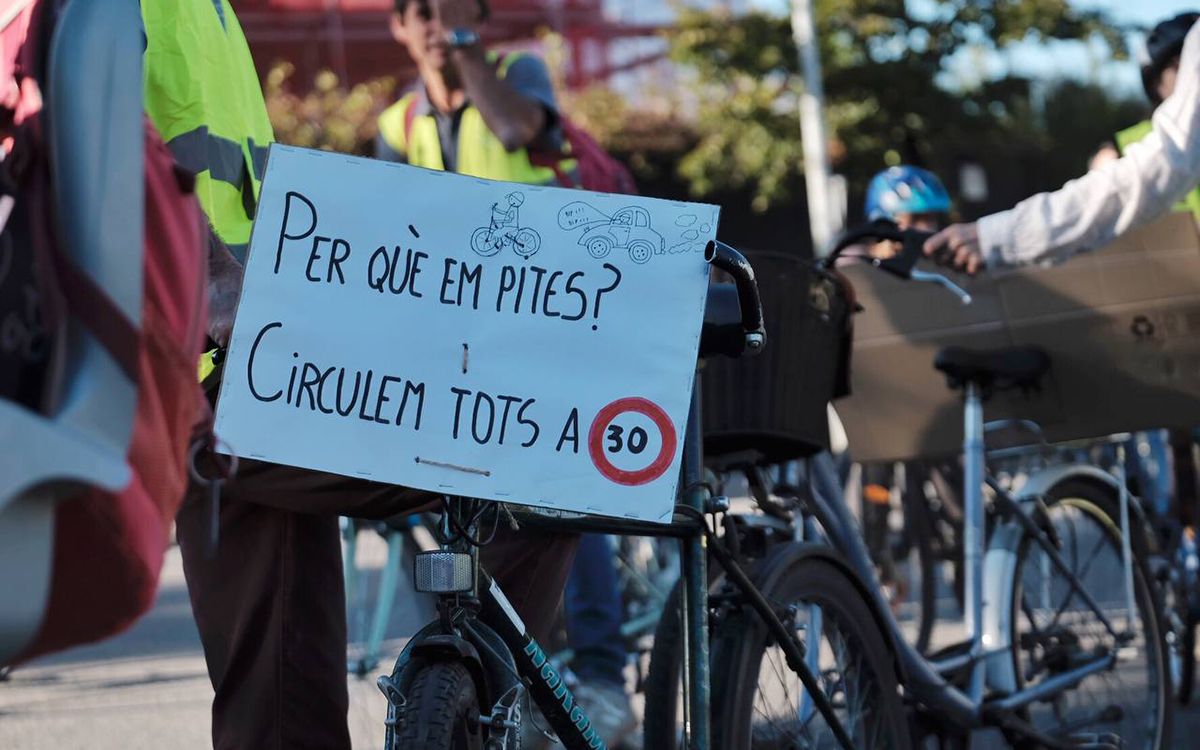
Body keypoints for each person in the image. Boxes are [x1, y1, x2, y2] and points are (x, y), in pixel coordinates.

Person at [142, 2, 578, 749]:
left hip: (241, 359)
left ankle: (466, 709)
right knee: (543, 454)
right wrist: (210, 268)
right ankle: (477, 716)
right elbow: (78, 114)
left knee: (281, 695)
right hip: (206, 366)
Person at [374, 1, 634, 746]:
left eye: (448, 8)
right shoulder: (399, 124)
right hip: (466, 346)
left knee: (570, 506)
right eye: (415, 11)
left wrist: (462, 52)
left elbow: (521, 130)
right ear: (395, 26)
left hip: (559, 323)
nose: (430, 21)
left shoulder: (513, 74)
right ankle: (492, 676)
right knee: (460, 509)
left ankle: (604, 677)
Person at [924, 15, 1200, 273]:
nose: (1183, 77)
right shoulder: (1128, 145)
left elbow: (1159, 168)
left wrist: (998, 237)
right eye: (1175, 68)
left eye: (1184, 66)